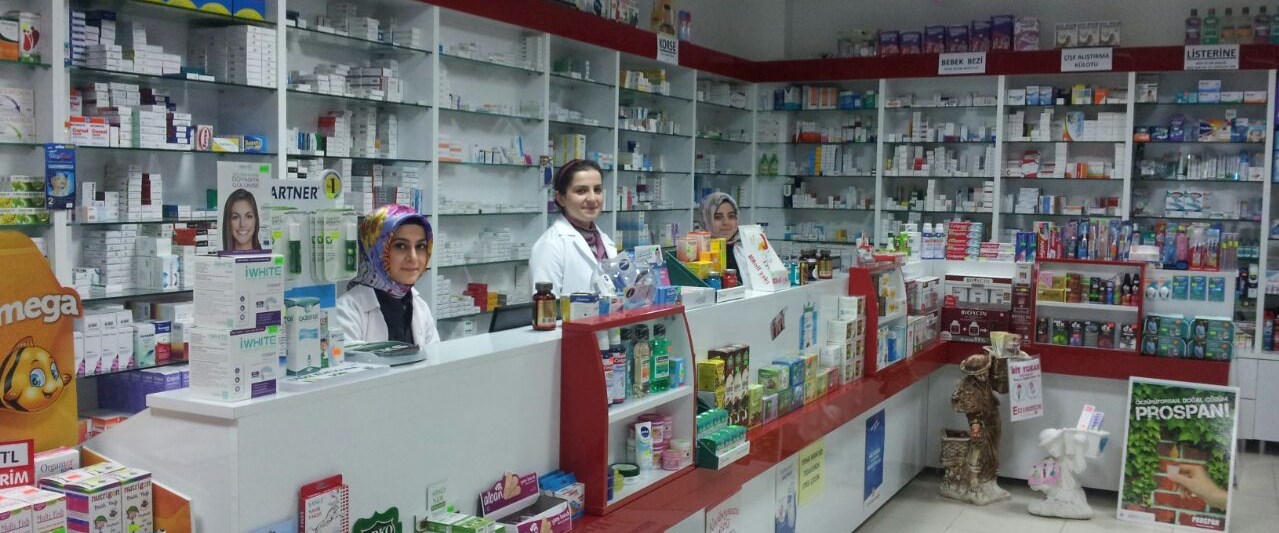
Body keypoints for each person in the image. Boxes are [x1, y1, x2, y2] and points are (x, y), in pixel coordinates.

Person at [335, 204, 439, 346]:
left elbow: (435, 358)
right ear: (374, 250)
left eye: (420, 246)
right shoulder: (346, 312)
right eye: (401, 246)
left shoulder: (420, 307)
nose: (413, 257)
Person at [530, 159, 617, 295]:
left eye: (597, 190)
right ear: (561, 198)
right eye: (581, 191)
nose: (592, 199)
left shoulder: (605, 241)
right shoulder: (550, 245)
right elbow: (545, 304)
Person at [700, 192, 744, 274]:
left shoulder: (745, 255)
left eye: (731, 216)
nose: (726, 222)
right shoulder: (697, 257)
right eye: (718, 217)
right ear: (706, 220)